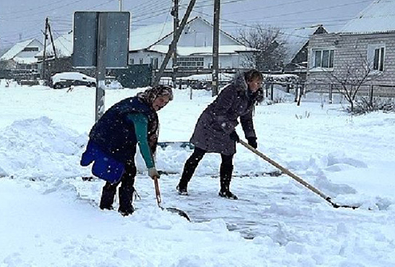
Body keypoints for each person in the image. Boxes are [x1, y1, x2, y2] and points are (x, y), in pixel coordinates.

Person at [80, 85, 173, 216]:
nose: (163, 104)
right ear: (154, 96)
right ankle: (122, 209)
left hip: (118, 141)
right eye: (161, 100)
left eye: (166, 102)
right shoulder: (140, 113)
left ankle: (111, 207)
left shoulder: (139, 103)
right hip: (112, 142)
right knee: (124, 173)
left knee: (121, 173)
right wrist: (150, 166)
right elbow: (143, 142)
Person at [177, 69, 264, 199]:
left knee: (228, 156)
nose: (257, 86)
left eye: (259, 83)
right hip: (209, 124)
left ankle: (225, 189)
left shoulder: (250, 97)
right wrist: (230, 130)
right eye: (255, 82)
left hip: (226, 127)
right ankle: (182, 185)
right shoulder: (232, 91)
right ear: (247, 81)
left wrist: (251, 136)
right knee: (198, 153)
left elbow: (246, 118)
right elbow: (219, 113)